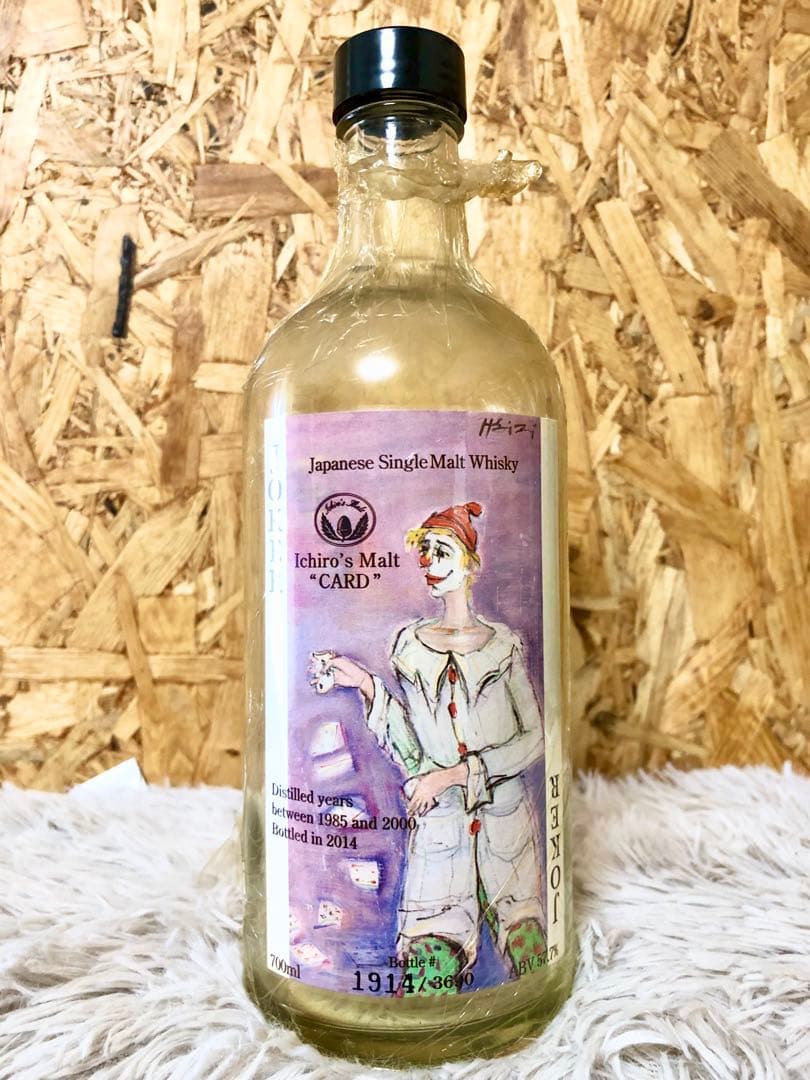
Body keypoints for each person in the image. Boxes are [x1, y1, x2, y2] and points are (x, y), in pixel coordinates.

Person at [317, 501, 546, 992]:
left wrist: (457, 775)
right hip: (441, 835)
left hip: (507, 831)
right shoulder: (409, 646)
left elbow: (533, 739)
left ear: (470, 563)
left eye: (441, 551)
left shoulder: (503, 647)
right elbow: (413, 754)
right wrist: (366, 685)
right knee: (430, 962)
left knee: (528, 945)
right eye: (425, 553)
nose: (429, 563)